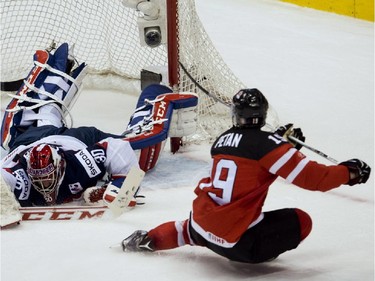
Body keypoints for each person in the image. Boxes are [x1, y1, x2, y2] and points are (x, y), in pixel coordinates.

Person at [120, 88, 371, 263]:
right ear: (262, 114)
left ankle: (149, 238)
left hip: (202, 220)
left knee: (190, 228)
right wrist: (349, 172)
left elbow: (251, 161)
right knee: (301, 220)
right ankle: (258, 250)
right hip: (240, 243)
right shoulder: (268, 145)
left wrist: (282, 146)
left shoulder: (221, 141)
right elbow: (313, 178)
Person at [0, 42, 198, 208]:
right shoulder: (17, 175)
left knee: (143, 154)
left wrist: (120, 188)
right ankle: (51, 79)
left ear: (60, 166)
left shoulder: (83, 160)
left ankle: (155, 92)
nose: (43, 185)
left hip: (76, 140)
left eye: (46, 177)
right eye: (39, 179)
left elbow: (117, 148)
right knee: (31, 126)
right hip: (29, 142)